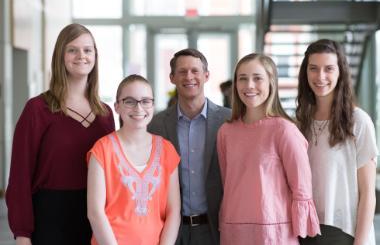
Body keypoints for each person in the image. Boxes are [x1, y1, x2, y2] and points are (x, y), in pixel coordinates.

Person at [5, 23, 115, 245]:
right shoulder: (38, 109)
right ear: (60, 56)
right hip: (50, 218)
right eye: (72, 50)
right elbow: (20, 176)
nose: (81, 56)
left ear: (95, 56)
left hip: (97, 220)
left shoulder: (106, 114)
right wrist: (23, 234)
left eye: (87, 49)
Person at [217, 53, 320, 245]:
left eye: (257, 78)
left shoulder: (285, 130)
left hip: (275, 232)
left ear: (271, 83)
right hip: (233, 230)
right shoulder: (226, 132)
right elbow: (228, 183)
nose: (249, 85)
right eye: (243, 79)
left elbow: (302, 188)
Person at [297, 39, 378, 245]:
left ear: (340, 72)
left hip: (345, 234)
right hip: (307, 232)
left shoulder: (358, 121)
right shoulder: (299, 123)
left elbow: (368, 193)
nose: (320, 76)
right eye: (313, 69)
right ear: (305, 73)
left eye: (329, 69)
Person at [148, 48, 231, 245]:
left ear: (206, 75)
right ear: (172, 78)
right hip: (172, 231)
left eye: (195, 71)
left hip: (215, 229)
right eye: (182, 72)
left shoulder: (229, 121)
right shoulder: (156, 124)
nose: (189, 77)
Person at [87, 74, 181, 245]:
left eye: (145, 101)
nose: (138, 108)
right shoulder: (102, 149)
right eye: (129, 101)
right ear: (116, 107)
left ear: (153, 105)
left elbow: (173, 211)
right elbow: (95, 212)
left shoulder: (167, 150)